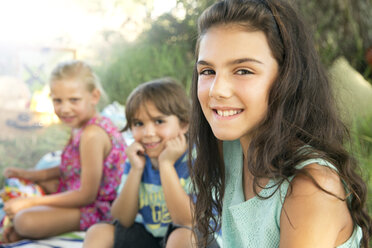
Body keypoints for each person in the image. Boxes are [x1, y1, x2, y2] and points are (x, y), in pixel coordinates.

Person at [188, 0, 372, 247]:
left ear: (288, 78)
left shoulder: (310, 187)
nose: (216, 90)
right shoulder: (231, 149)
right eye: (208, 71)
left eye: (243, 71)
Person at [1, 60, 127, 243]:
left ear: (94, 96)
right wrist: (29, 174)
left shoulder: (92, 135)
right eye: (57, 100)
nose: (64, 108)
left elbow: (87, 195)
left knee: (24, 220)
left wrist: (30, 203)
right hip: (77, 188)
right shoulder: (80, 125)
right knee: (28, 183)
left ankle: (28, 227)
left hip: (99, 208)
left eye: (73, 100)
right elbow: (71, 168)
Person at [83, 78, 207, 248]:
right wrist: (136, 169)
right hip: (151, 237)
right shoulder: (138, 157)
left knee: (182, 237)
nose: (148, 133)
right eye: (139, 123)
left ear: (184, 124)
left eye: (159, 121)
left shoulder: (196, 160)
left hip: (194, 238)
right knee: (97, 232)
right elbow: (121, 219)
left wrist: (166, 165)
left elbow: (186, 221)